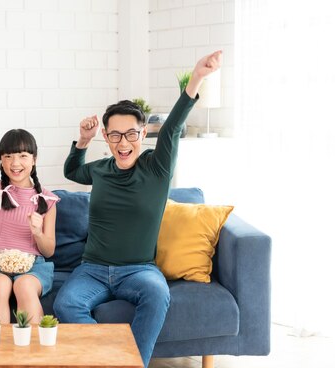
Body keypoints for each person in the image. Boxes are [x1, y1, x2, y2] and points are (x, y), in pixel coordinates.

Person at [53, 51, 223, 367]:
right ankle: (112, 361)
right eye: (115, 134)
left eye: (131, 133)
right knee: (66, 305)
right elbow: (71, 171)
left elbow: (172, 127)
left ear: (142, 134)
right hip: (92, 269)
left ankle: (133, 365)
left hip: (139, 269)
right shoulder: (101, 168)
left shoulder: (156, 168)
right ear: (106, 136)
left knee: (158, 295)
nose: (123, 142)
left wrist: (197, 77)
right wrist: (82, 140)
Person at [0, 101, 60, 324]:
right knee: (0, 285)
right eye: (8, 156)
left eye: (22, 155)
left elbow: (48, 250)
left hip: (34, 267)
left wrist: (37, 232)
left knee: (24, 286)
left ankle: (34, 353)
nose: (15, 163)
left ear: (34, 159)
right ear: (2, 160)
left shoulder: (47, 200)